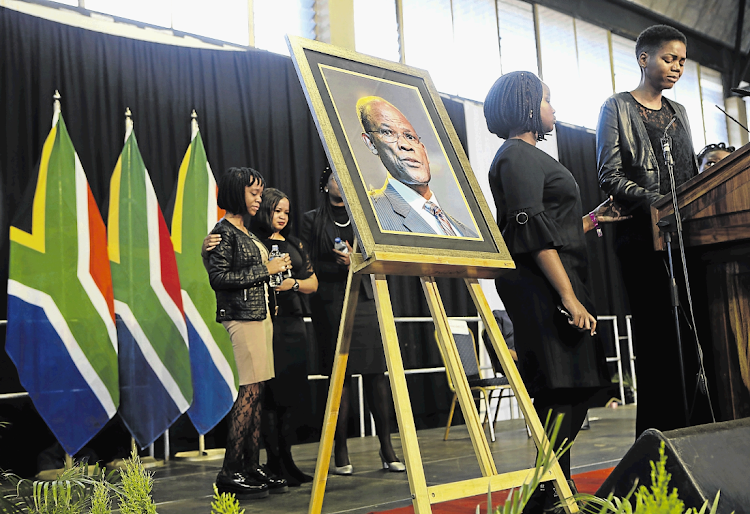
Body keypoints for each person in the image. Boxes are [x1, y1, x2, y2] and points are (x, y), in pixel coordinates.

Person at [484, 71, 627, 513]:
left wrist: (591, 220)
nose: (554, 109)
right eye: (548, 100)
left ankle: (552, 493)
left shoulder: (526, 156)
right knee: (560, 390)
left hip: (554, 277)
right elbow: (529, 232)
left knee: (573, 391)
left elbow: (551, 229)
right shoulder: (516, 155)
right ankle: (546, 496)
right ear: (528, 106)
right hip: (541, 286)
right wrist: (568, 296)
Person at [596, 24, 702, 438]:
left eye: (681, 60)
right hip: (642, 238)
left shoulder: (681, 113)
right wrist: (657, 204)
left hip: (684, 237)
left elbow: (692, 174)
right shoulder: (616, 107)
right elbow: (609, 174)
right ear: (644, 58)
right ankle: (658, 436)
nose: (676, 67)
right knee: (658, 339)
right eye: (668, 58)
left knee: (692, 338)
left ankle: (695, 425)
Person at [301, 167, 405, 475]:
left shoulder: (365, 215)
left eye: (344, 177)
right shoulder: (311, 219)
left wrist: (355, 261)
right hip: (331, 302)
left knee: (376, 374)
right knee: (340, 377)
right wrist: (335, 262)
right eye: (334, 177)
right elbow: (304, 263)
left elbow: (382, 253)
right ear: (325, 184)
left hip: (364, 299)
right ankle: (341, 451)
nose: (340, 182)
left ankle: (387, 448)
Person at [206, 167, 290, 499]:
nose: (259, 199)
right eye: (253, 193)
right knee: (248, 393)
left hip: (260, 316)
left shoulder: (247, 232)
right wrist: (264, 269)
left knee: (255, 395)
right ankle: (229, 471)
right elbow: (219, 278)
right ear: (235, 192)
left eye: (260, 193)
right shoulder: (223, 232)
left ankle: (250, 466)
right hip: (242, 317)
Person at [250, 188, 318, 486]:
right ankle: (273, 461)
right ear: (265, 210)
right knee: (269, 397)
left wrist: (292, 284)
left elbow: (313, 283)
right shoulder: (254, 243)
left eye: (286, 212)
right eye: (277, 210)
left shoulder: (295, 243)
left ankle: (287, 458)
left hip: (294, 323)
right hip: (266, 323)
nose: (282, 217)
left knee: (290, 396)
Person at [357, 96, 478, 237]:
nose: (406, 145)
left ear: (424, 150)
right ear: (371, 143)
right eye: (388, 132)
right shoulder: (369, 213)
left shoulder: (469, 234)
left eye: (410, 136)